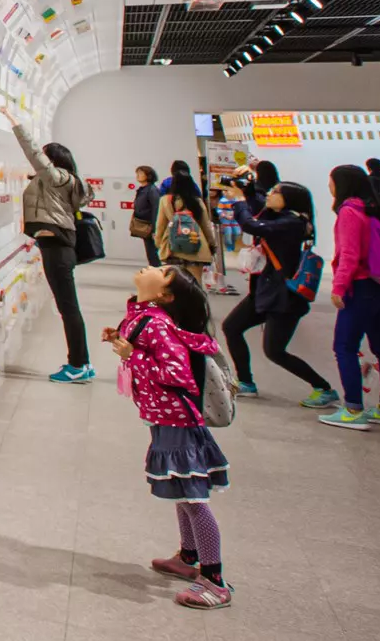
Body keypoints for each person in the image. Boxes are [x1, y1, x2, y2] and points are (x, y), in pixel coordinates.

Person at [104, 264, 230, 609]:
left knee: (193, 497)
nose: (151, 266)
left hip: (178, 421)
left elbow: (177, 374)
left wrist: (133, 355)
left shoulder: (158, 323)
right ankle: (188, 557)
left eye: (161, 271)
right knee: (181, 491)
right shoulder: (146, 316)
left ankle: (215, 581)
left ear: (164, 295)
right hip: (165, 417)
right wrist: (120, 340)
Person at [218, 174, 338, 407]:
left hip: (285, 297)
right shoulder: (280, 217)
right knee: (232, 327)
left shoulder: (293, 223)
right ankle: (246, 382)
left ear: (288, 200)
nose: (269, 195)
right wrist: (248, 191)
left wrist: (240, 201)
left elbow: (252, 225)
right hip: (266, 290)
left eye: (275, 193)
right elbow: (258, 210)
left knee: (274, 351)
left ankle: (323, 388)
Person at [5, 108, 92, 383]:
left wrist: (14, 121)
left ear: (52, 160)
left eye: (45, 157)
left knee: (68, 307)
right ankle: (82, 362)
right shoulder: (62, 182)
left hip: (57, 247)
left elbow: (32, 152)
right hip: (58, 246)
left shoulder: (57, 178)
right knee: (68, 306)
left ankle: (78, 364)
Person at [319, 164, 380, 431]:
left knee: (344, 346)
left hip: (360, 286)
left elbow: (350, 254)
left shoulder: (349, 211)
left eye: (331, 180)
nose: (329, 185)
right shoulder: (375, 209)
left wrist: (339, 287)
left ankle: (353, 409)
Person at [155, 162, 217, 283]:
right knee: (195, 284)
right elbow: (206, 225)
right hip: (196, 245)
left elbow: (160, 226)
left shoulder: (165, 201)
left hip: (172, 248)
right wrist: (211, 244)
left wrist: (159, 244)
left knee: (174, 285)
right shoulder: (197, 201)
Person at [131, 166, 163, 267]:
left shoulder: (152, 190)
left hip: (149, 225)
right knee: (150, 251)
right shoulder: (142, 189)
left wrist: (154, 228)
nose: (138, 175)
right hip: (144, 224)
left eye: (140, 173)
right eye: (137, 173)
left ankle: (156, 271)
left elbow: (156, 209)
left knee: (152, 252)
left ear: (148, 175)